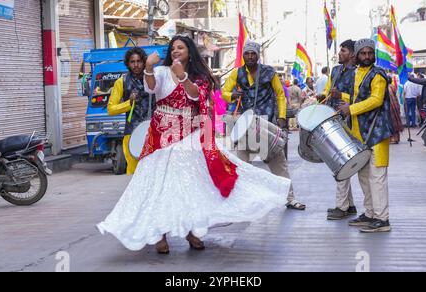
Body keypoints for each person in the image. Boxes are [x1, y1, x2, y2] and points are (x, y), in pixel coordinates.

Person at [98, 35, 291, 254]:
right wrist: (149, 67)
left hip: (190, 133)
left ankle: (191, 230)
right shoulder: (161, 72)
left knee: (190, 184)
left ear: (189, 51)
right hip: (161, 134)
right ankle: (159, 234)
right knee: (158, 185)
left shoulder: (199, 76)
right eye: (172, 49)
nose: (175, 51)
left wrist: (183, 77)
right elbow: (151, 89)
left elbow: (196, 97)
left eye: (180, 47)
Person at [222, 40, 306, 211]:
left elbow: (280, 94)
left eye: (253, 53)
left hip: (266, 124)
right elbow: (224, 92)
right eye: (247, 53)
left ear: (258, 55)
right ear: (244, 55)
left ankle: (290, 199)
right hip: (245, 126)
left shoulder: (269, 72)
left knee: (278, 164)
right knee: (242, 166)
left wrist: (282, 117)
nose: (250, 56)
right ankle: (242, 201)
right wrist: (232, 95)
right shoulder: (236, 73)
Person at [337, 39, 393, 233]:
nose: (367, 56)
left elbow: (376, 100)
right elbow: (356, 97)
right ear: (358, 55)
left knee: (377, 178)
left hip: (377, 134)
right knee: (364, 176)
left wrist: (350, 108)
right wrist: (340, 97)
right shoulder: (358, 73)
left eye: (370, 53)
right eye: (364, 53)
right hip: (360, 135)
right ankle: (370, 214)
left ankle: (382, 219)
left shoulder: (378, 74)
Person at [319, 39, 358, 220]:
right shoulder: (335, 70)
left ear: (351, 54)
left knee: (340, 162)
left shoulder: (357, 72)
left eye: (343, 51)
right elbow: (328, 91)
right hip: (334, 118)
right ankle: (348, 205)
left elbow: (359, 97)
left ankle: (341, 207)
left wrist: (340, 95)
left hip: (349, 119)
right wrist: (324, 96)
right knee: (340, 161)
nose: (339, 53)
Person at [107, 47, 156, 175]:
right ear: (128, 63)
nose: (136, 65)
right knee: (134, 174)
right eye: (132, 62)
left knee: (154, 172)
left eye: (139, 61)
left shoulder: (154, 77)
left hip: (154, 132)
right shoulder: (121, 82)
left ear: (144, 62)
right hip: (132, 134)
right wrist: (129, 104)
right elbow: (111, 109)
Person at [388, 75, 404, 144]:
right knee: (395, 123)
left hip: (390, 108)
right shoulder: (392, 86)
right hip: (395, 106)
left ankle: (393, 138)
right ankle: (396, 138)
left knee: (391, 123)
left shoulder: (387, 88)